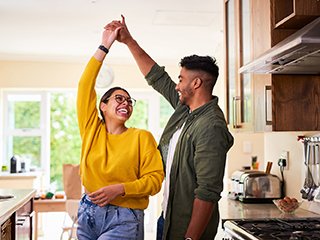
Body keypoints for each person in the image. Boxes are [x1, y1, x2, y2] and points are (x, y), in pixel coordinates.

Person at [107, 15, 234, 240]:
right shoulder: (186, 110)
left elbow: (207, 193)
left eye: (181, 79)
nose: (176, 85)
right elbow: (157, 77)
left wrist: (190, 238)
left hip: (186, 230)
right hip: (168, 219)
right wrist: (129, 41)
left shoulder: (210, 127)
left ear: (195, 84)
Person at [76, 22, 164, 240]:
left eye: (129, 100)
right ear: (103, 106)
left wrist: (120, 189)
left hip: (124, 217)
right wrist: (104, 46)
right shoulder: (91, 130)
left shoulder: (141, 137)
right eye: (119, 98)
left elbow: (155, 180)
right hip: (88, 212)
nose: (126, 103)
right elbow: (85, 86)